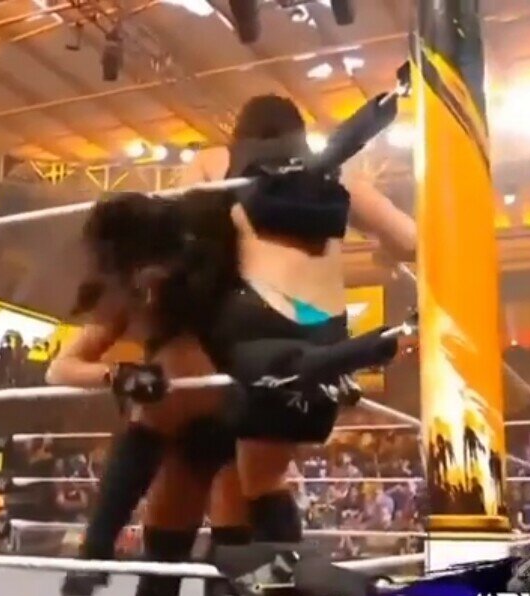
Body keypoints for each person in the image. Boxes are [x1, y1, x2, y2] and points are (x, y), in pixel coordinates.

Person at [177, 93, 418, 549]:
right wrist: (386, 250)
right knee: (252, 470)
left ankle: (272, 581)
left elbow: (176, 229)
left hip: (256, 326)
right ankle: (252, 579)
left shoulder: (216, 160)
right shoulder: (337, 173)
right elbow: (411, 240)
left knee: (250, 475)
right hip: (326, 339)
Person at [45, 191, 248, 596]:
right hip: (172, 435)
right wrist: (117, 374)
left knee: (229, 564)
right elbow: (59, 368)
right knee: (162, 555)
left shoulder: (220, 279)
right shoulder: (127, 295)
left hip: (236, 432)